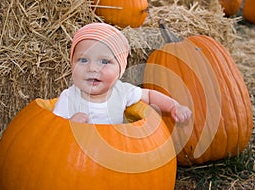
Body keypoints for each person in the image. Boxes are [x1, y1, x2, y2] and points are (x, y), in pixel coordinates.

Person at [53, 22, 192, 124]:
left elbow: (149, 95)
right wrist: (70, 124)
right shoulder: (69, 99)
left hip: (114, 155)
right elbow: (52, 130)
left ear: (120, 70)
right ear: (72, 65)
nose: (92, 68)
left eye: (104, 62)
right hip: (81, 158)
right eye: (83, 60)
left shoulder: (121, 91)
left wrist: (174, 106)